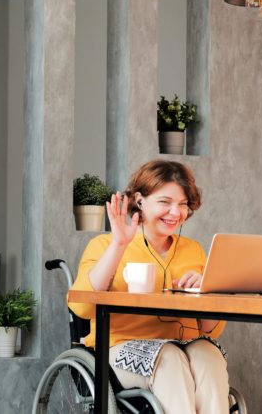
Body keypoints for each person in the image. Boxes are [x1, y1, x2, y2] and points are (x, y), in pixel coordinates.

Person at [69, 160, 229, 413]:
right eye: (165, 202)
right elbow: (82, 306)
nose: (175, 213)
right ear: (140, 200)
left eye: (183, 204)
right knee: (170, 358)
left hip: (184, 344)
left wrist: (207, 290)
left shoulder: (193, 251)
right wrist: (119, 245)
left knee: (209, 355)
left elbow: (209, 328)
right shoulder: (104, 245)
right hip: (119, 348)